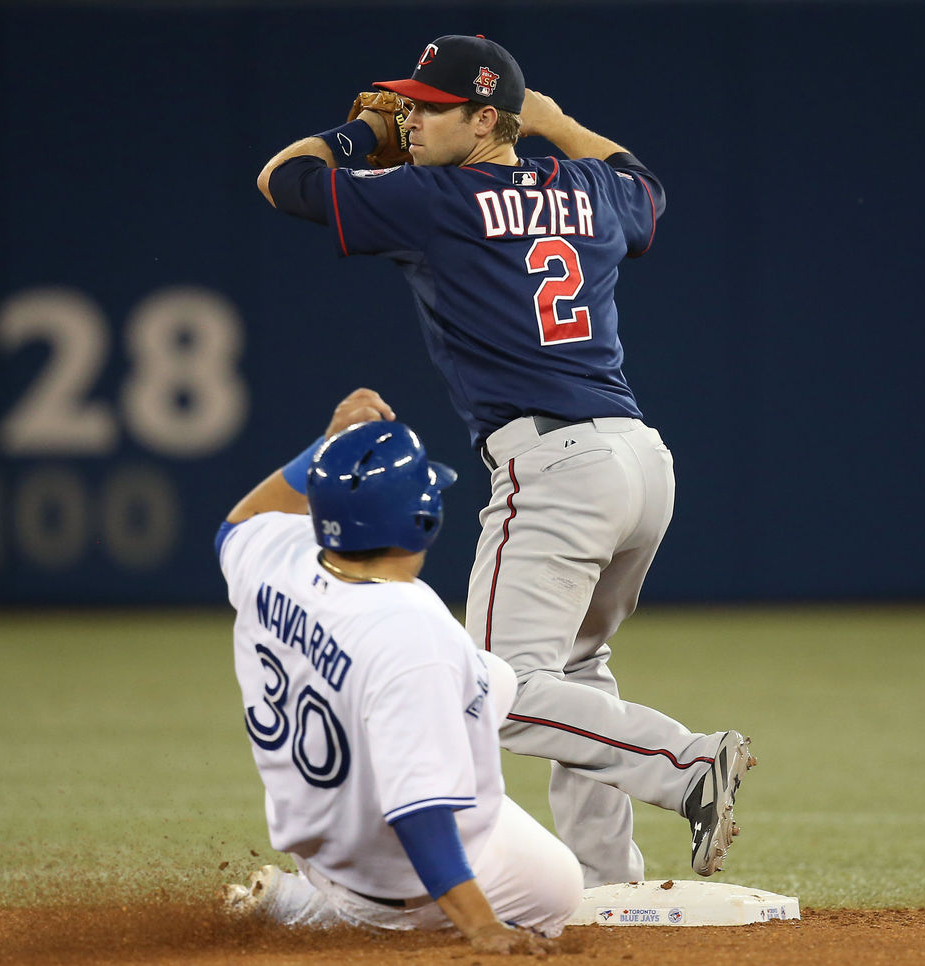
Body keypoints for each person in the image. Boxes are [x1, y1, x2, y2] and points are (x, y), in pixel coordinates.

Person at [254, 35, 756, 888]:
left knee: (489, 688)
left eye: (428, 108)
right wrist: (558, 125)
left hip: (554, 466)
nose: (406, 118)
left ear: (486, 120)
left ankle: (684, 763)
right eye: (403, 105)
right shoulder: (590, 187)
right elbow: (648, 188)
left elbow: (282, 181)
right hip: (639, 463)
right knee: (575, 674)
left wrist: (354, 143)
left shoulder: (432, 198)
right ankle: (607, 878)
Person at [215, 387, 582, 954]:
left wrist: (328, 444)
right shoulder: (411, 631)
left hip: (319, 831)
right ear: (423, 520)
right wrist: (482, 927)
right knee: (558, 889)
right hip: (384, 879)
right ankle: (318, 914)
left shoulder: (277, 556)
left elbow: (237, 525)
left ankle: (327, 894)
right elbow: (420, 811)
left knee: (491, 679)